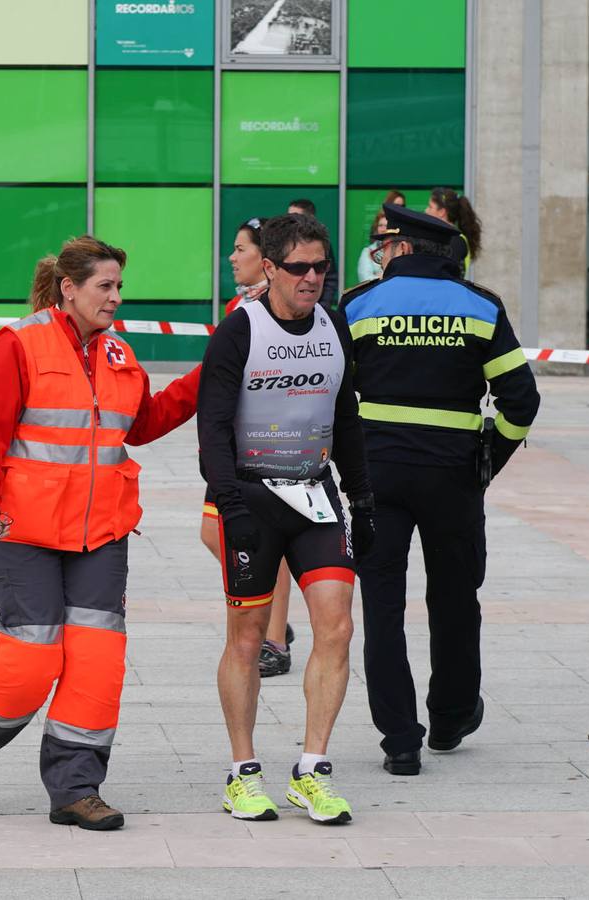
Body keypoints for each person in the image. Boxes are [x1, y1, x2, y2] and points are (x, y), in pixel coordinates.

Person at [0, 236, 200, 831]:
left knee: (96, 663)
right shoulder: (19, 344)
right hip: (21, 530)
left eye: (118, 287)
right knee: (32, 660)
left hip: (101, 535)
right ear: (70, 289)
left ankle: (75, 789)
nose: (114, 297)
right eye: (104, 286)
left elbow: (145, 423)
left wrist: (209, 373)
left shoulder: (118, 355)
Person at [342, 204, 539, 776]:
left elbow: (333, 392)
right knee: (455, 600)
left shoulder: (357, 306)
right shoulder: (480, 307)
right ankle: (451, 717)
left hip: (376, 477)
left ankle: (400, 739)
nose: (379, 256)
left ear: (402, 248)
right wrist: (487, 461)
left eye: (384, 247)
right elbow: (521, 402)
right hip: (453, 478)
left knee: (382, 606)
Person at [200, 213, 374, 825]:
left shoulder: (335, 325)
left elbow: (345, 418)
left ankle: (312, 770)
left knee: (338, 626)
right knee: (247, 639)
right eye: (298, 267)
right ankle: (243, 773)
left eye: (321, 267)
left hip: (314, 495)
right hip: (252, 496)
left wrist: (362, 498)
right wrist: (229, 503)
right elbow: (213, 429)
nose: (312, 278)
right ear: (269, 268)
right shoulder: (238, 331)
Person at [201, 217, 297, 679]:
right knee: (213, 534)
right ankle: (273, 620)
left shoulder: (276, 307)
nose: (232, 257)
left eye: (241, 249)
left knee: (261, 542)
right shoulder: (238, 305)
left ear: (266, 258)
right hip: (230, 445)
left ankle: (273, 638)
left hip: (263, 446)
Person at [286, 199, 338, 310]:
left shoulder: (321, 244)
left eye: (295, 217)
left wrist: (323, 305)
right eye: (288, 217)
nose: (290, 221)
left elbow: (331, 279)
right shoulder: (282, 243)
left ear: (309, 219)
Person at [426, 187, 482, 275]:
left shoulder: (456, 241)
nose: (426, 210)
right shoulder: (444, 237)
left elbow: (445, 274)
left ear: (442, 212)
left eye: (430, 207)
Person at [356, 210, 390, 283]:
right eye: (380, 225)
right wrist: (384, 277)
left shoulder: (397, 250)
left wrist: (376, 276)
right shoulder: (368, 251)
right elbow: (365, 280)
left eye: (386, 226)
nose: (383, 229)